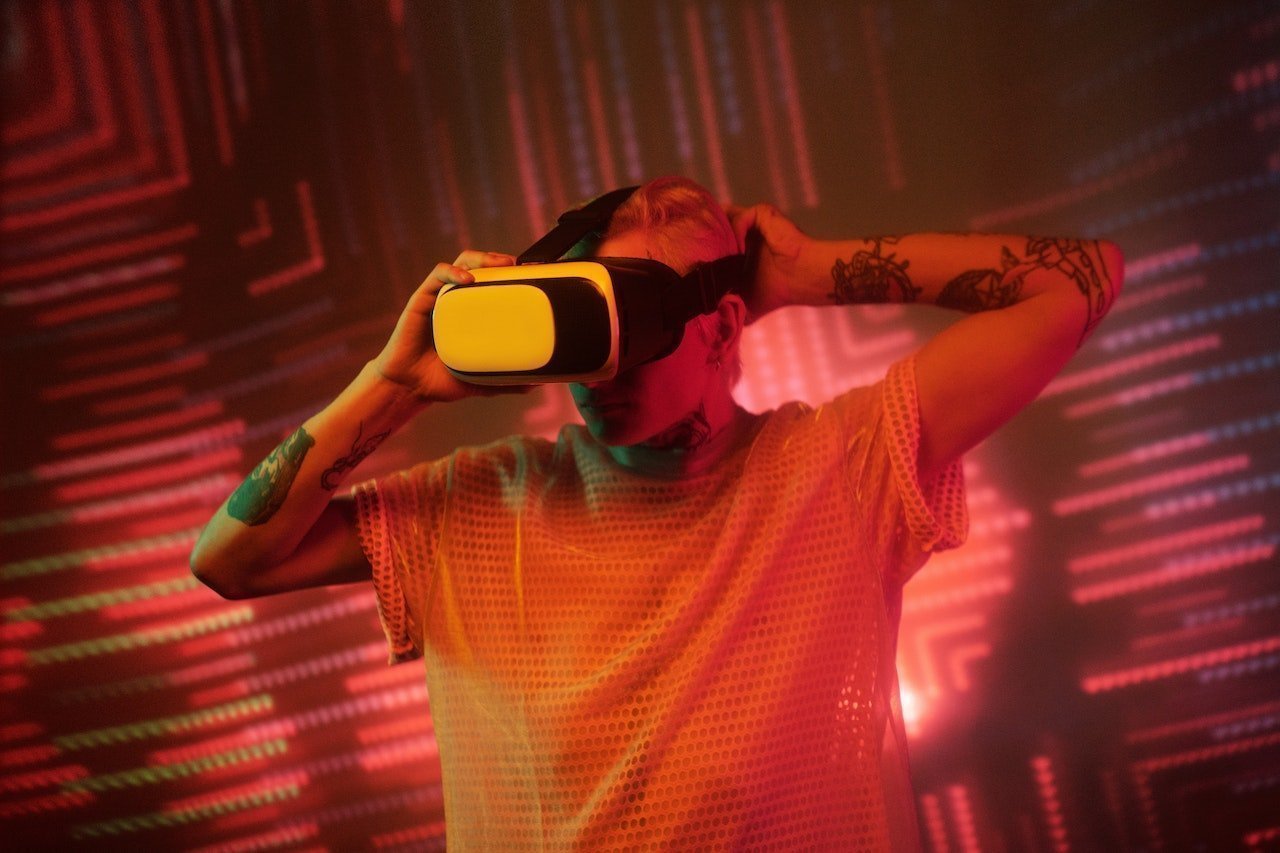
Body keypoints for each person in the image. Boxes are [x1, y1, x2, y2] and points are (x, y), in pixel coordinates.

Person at [191, 176, 1123, 850]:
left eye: (633, 323)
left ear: (722, 326)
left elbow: (1080, 279)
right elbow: (232, 559)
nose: (603, 369)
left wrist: (804, 273)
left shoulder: (844, 467)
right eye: (581, 322)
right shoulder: (483, 504)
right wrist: (392, 384)